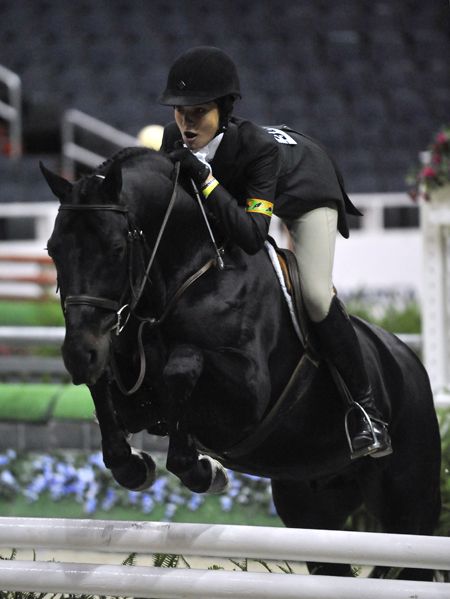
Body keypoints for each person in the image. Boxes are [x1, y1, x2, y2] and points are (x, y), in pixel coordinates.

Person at [158, 46, 392, 460]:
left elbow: (251, 236)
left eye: (198, 112)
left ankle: (365, 410)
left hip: (304, 187)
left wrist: (206, 182)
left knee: (316, 294)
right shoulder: (173, 138)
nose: (186, 123)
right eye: (180, 111)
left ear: (224, 110)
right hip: (244, 192)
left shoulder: (257, 149)